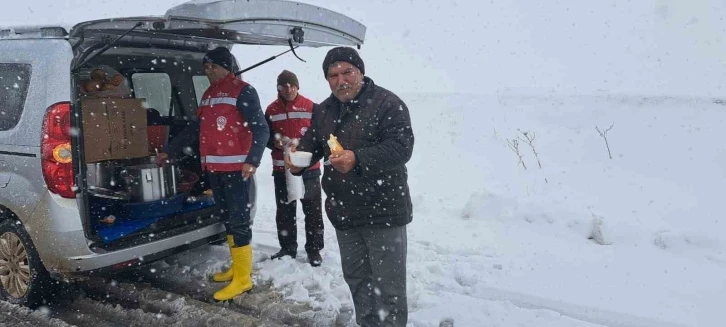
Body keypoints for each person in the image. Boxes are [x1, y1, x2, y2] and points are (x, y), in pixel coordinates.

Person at [286, 47, 414, 327]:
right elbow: (312, 144)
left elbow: (402, 148)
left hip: (384, 211)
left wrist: (358, 158)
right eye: (333, 75)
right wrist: (298, 158)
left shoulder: (387, 103)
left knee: (388, 287)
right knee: (357, 280)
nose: (340, 80)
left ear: (361, 72)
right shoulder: (324, 110)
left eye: (347, 72)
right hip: (344, 213)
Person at [157, 47, 269, 301]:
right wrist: (170, 151)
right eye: (205, 67)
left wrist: (252, 161)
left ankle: (243, 278)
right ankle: (236, 267)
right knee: (227, 217)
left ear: (226, 67)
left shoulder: (244, 90)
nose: (208, 71)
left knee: (239, 219)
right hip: (215, 169)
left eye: (212, 67)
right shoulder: (208, 94)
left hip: (237, 170)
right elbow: (196, 129)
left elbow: (261, 129)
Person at [264, 70, 324, 266]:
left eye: (292, 85)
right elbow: (264, 136)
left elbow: (319, 137)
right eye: (284, 86)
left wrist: (303, 146)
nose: (289, 89)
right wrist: (275, 142)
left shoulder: (312, 107)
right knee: (285, 211)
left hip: (309, 169)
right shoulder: (271, 110)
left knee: (313, 211)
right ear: (278, 88)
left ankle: (314, 250)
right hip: (282, 170)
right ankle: (288, 248)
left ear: (298, 86)